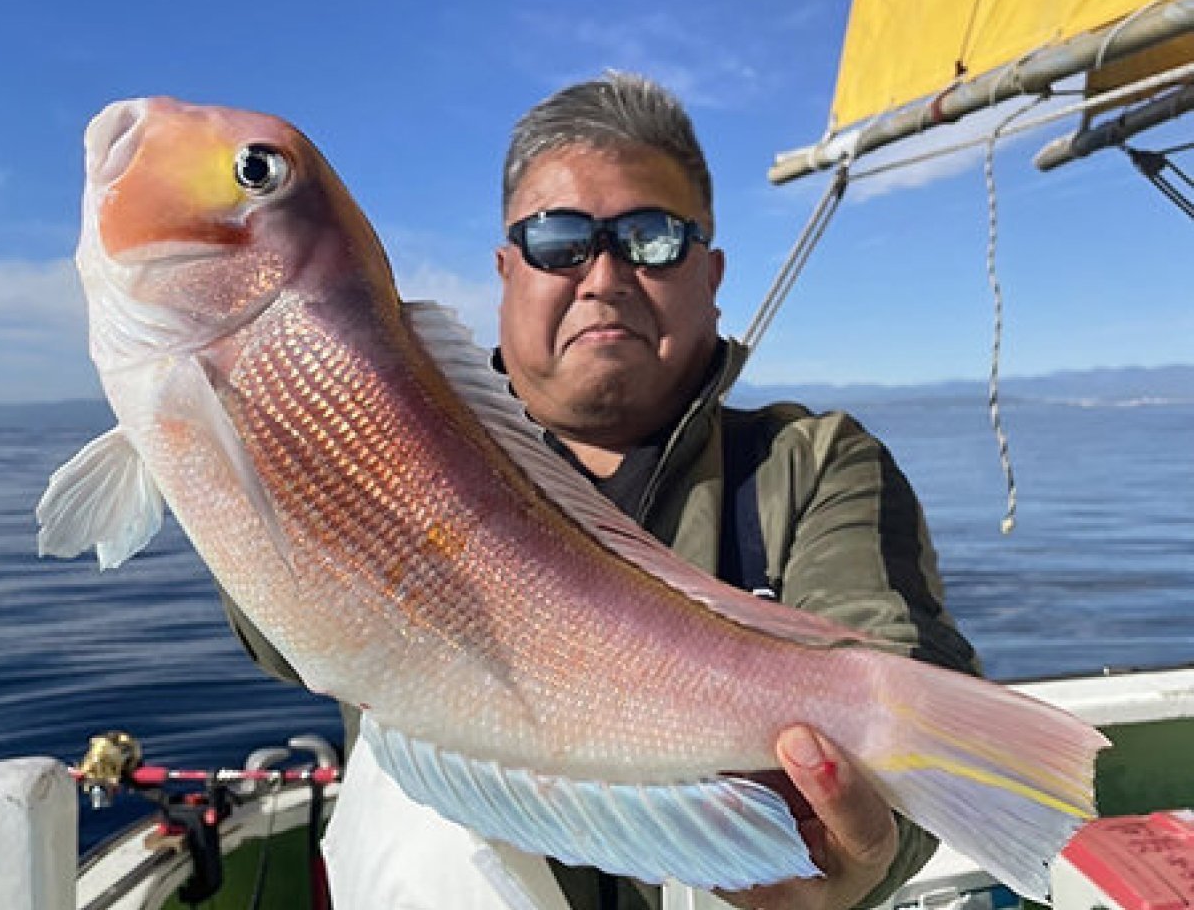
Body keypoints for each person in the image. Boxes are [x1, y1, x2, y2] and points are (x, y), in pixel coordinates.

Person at [221, 71, 978, 910]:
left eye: (652, 237)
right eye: (559, 239)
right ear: (507, 270)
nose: (605, 274)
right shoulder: (382, 440)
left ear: (713, 273)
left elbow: (906, 685)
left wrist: (866, 851)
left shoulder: (811, 464)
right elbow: (277, 635)